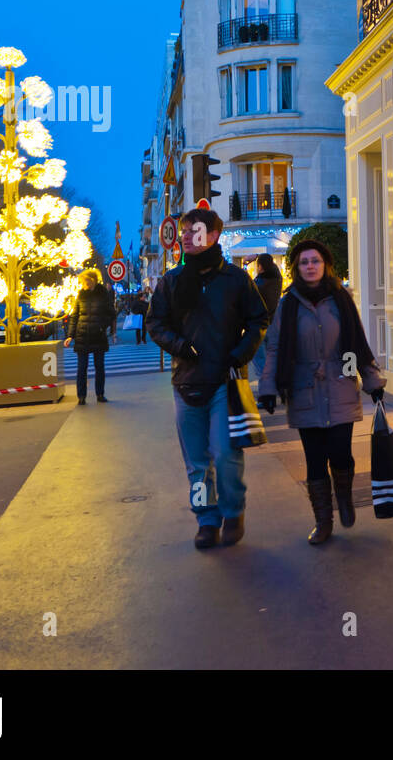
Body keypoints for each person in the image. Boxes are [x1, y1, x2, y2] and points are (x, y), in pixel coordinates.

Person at [147, 208, 269, 549]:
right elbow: (155, 323)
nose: (186, 236)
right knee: (197, 462)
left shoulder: (234, 279)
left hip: (225, 382)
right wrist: (180, 346)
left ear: (214, 235)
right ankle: (206, 519)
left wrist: (240, 354)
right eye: (184, 231)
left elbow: (259, 319)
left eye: (194, 230)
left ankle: (233, 512)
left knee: (226, 453)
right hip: (185, 383)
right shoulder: (171, 281)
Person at [259, 239, 386, 545]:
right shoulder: (288, 305)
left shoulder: (341, 299)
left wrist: (370, 380)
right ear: (297, 268)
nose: (310, 266)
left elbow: (356, 341)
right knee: (315, 459)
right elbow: (274, 348)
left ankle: (343, 496)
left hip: (340, 384)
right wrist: (268, 387)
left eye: (315, 260)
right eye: (304, 262)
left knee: (341, 454)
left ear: (325, 264)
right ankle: (323, 520)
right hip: (303, 388)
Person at [65, 268, 116, 404]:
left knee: (99, 367)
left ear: (92, 280)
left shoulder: (103, 294)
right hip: (82, 335)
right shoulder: (81, 294)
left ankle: (100, 394)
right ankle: (81, 396)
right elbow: (74, 316)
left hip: (98, 335)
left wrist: (102, 326)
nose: (83, 283)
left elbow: (111, 314)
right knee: (82, 368)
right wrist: (70, 335)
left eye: (85, 280)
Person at [250, 254, 283, 385]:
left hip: (260, 324)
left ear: (261, 267)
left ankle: (268, 388)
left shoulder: (260, 283)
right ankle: (275, 385)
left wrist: (247, 264)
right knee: (271, 359)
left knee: (260, 361)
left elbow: (247, 293)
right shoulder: (277, 279)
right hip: (273, 323)